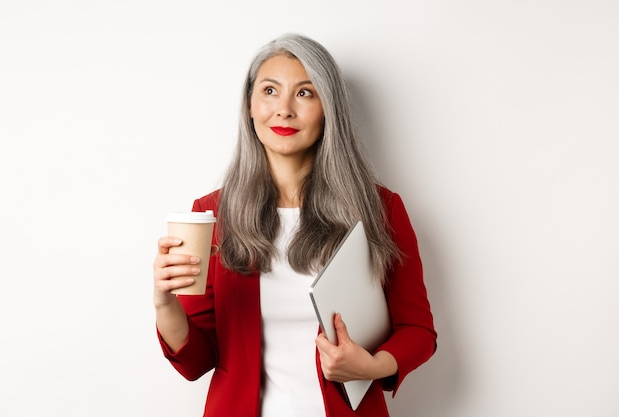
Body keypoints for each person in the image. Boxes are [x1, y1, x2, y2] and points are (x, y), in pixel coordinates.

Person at [153, 33, 437, 417]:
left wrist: (371, 367)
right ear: (250, 105)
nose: (284, 109)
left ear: (328, 108)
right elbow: (196, 361)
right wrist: (165, 303)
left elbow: (417, 330)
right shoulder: (211, 214)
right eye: (270, 90)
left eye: (305, 93)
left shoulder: (379, 209)